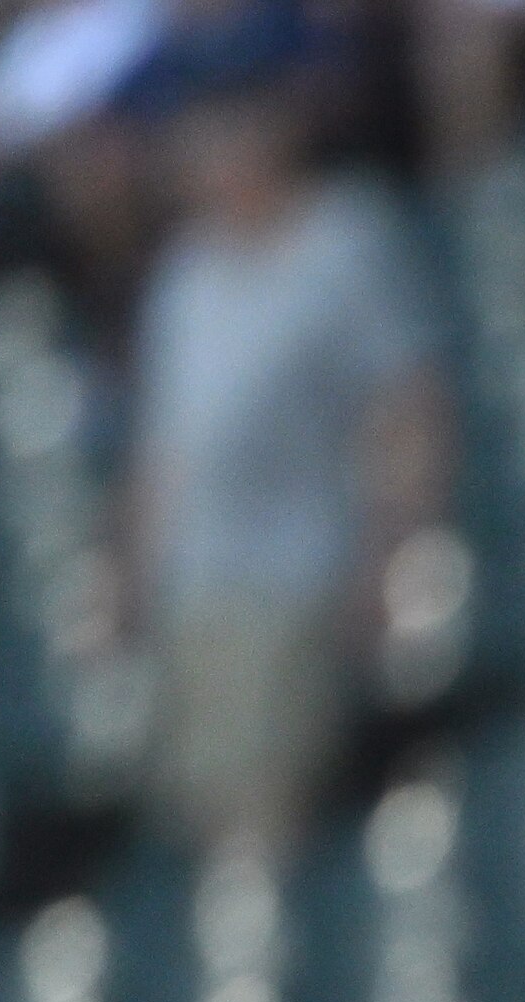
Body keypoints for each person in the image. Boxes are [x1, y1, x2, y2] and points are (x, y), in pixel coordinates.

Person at [126, 32, 446, 852]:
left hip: (297, 575)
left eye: (227, 126)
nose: (206, 151)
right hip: (197, 588)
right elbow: (164, 451)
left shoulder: (343, 238)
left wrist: (388, 561)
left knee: (268, 827)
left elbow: (407, 410)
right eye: (194, 132)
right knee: (199, 826)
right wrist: (128, 578)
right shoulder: (185, 275)